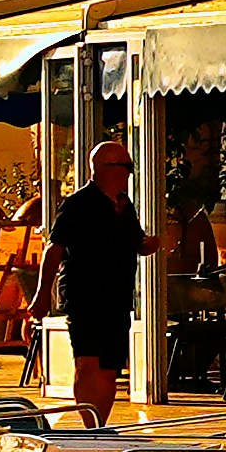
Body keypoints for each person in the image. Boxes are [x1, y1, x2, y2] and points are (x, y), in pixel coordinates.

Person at [47, 141, 148, 425]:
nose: (129, 173)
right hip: (85, 294)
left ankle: (100, 425)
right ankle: (89, 425)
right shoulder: (78, 204)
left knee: (109, 367)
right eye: (126, 167)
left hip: (118, 295)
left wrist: (147, 245)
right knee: (88, 362)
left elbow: (134, 240)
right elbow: (54, 248)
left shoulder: (124, 205)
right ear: (105, 168)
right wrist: (43, 292)